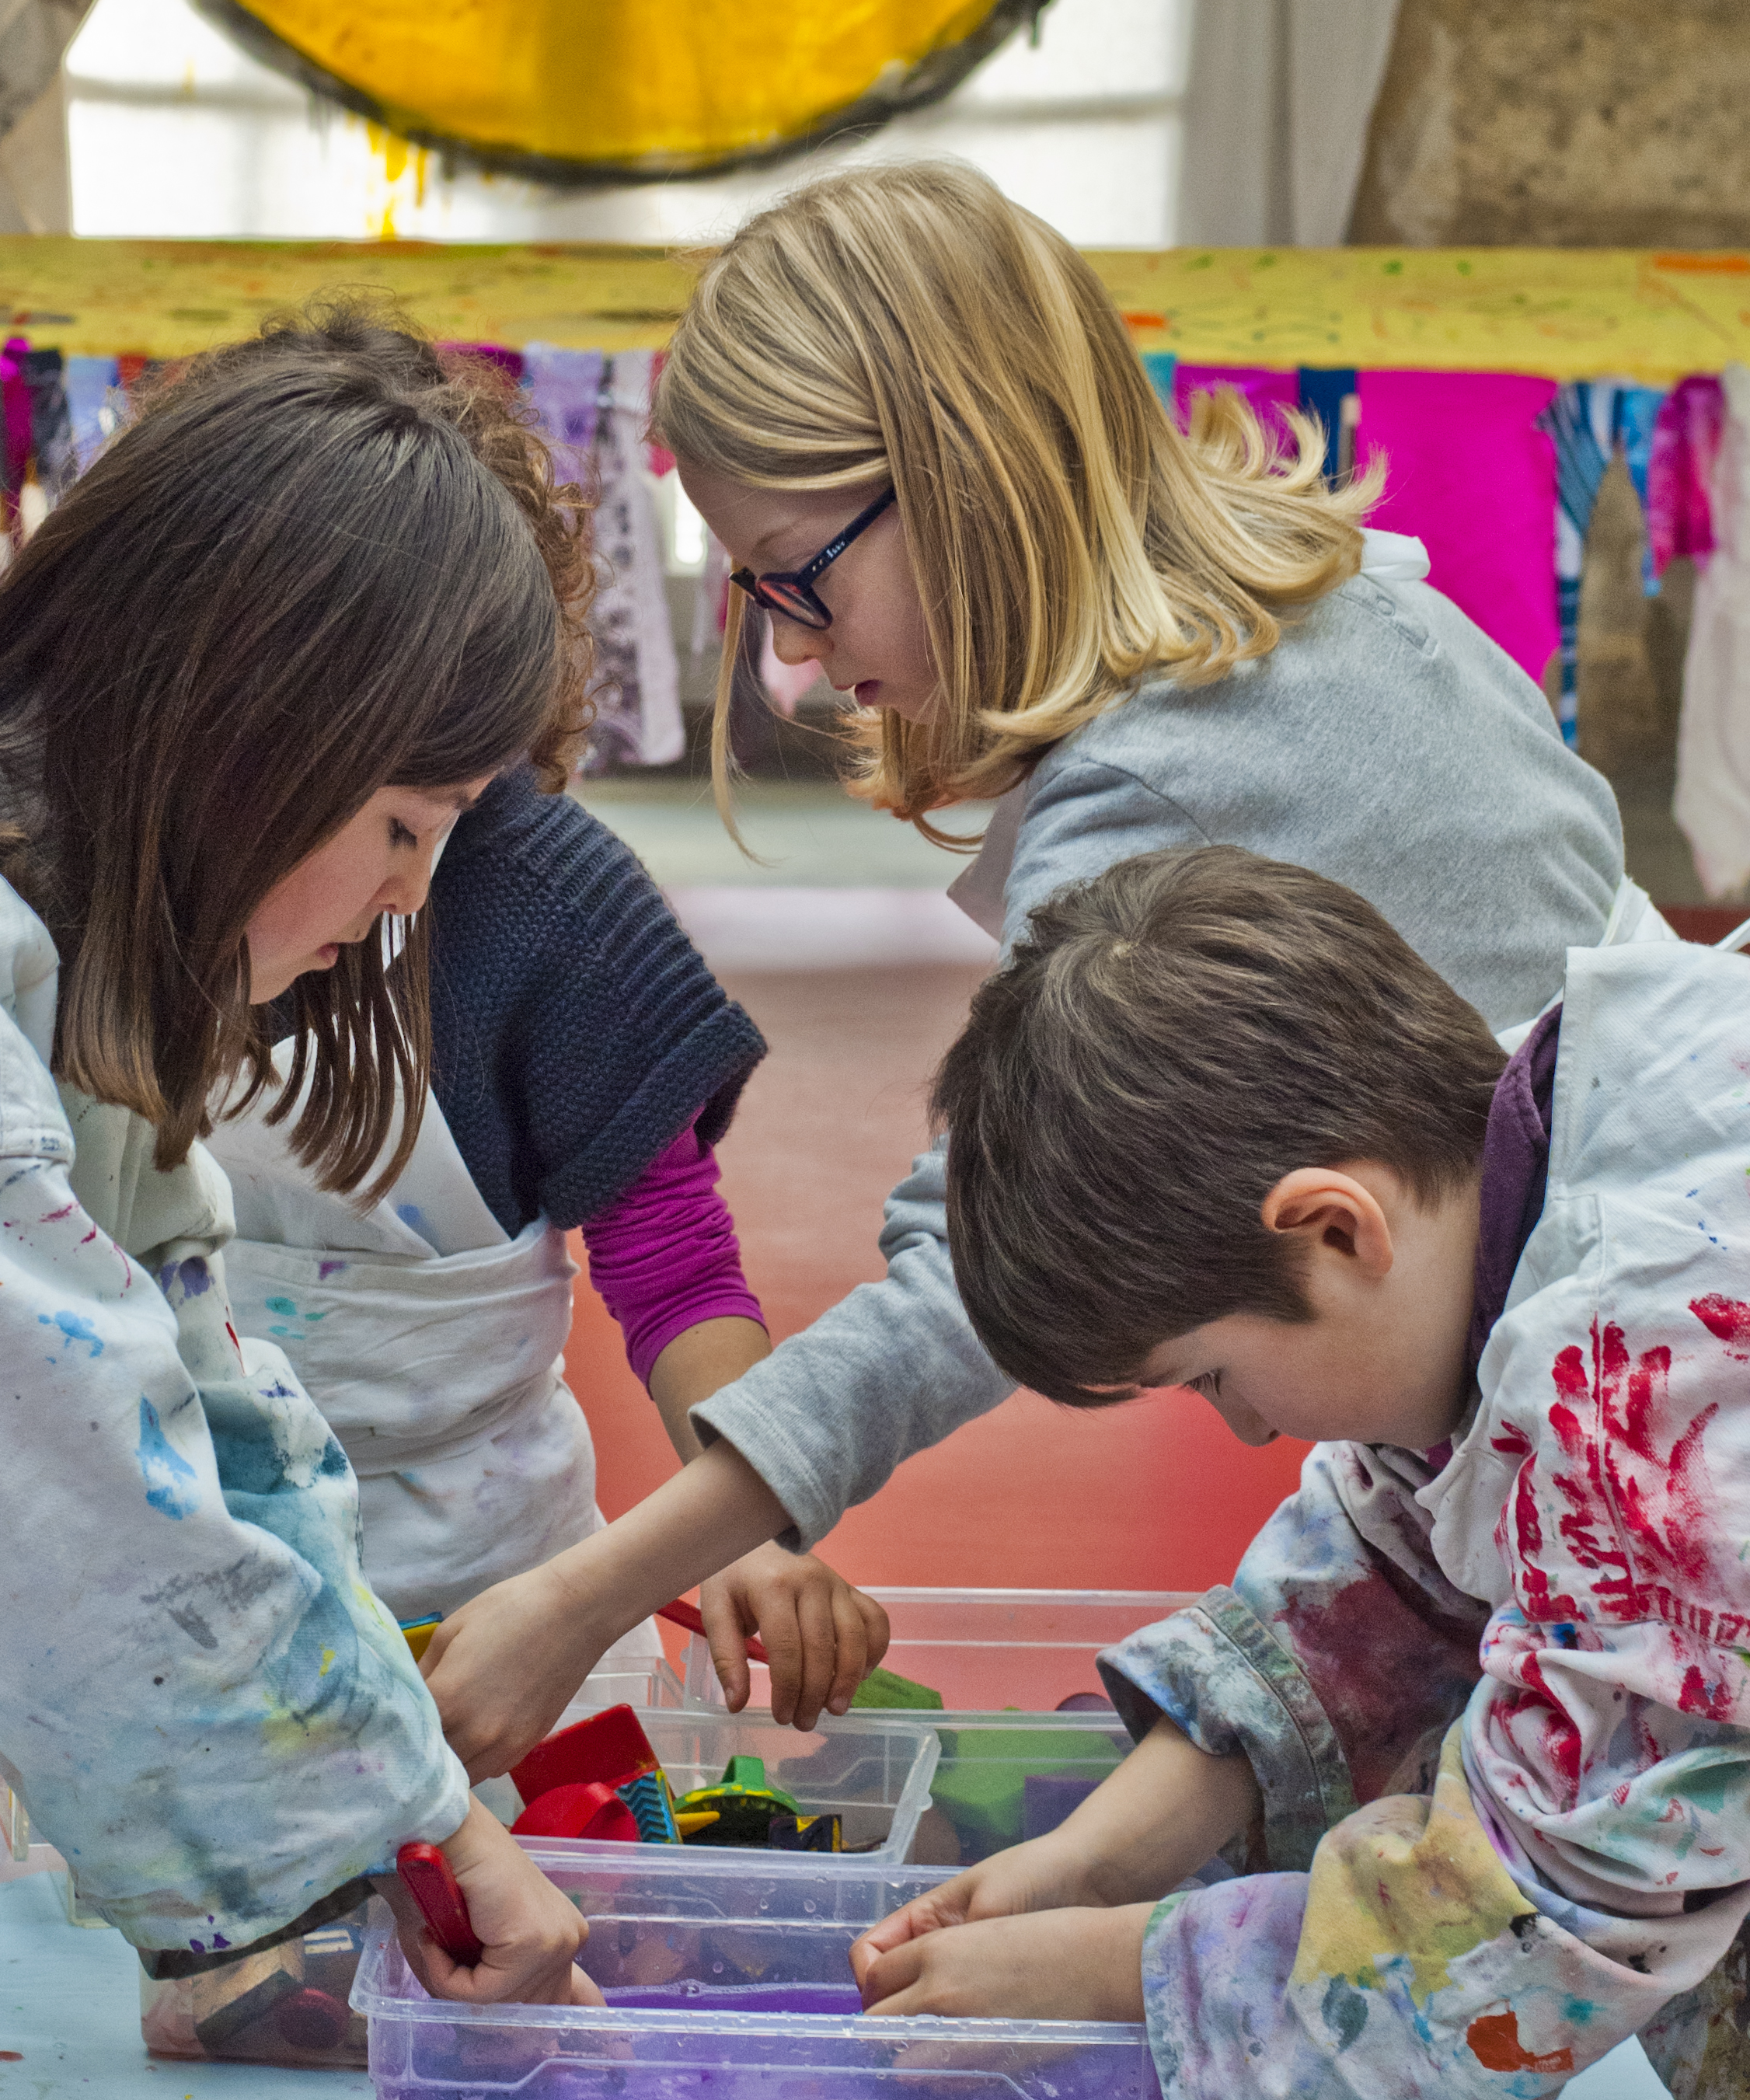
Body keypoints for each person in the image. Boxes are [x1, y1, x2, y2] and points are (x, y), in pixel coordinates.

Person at [420, 161, 1641, 1768]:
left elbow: (985, 1268)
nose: (788, 655)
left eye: (801, 580)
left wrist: (592, 1590)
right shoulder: (1350, 609)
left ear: (966, 477)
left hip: (1628, 1449)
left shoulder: (1153, 788)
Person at [0, 310, 593, 2009]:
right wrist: (410, 1846)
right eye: (403, 828)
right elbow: (76, 1531)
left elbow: (197, 1394)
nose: (406, 903)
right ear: (262, 729)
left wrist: (433, 1832)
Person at [851, 846, 1750, 2100]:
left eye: (1211, 1373)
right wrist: (1094, 1860)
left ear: (1333, 1229)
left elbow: (1569, 1882)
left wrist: (1127, 1971)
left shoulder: (1654, 1374)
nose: (1252, 1427)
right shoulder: (1512, 1148)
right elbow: (1395, 1562)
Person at [213, 756, 888, 1721]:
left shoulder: (548, 897)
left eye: (424, 828)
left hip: (491, 1591)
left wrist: (740, 1523)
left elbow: (677, 1266)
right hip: (178, 1575)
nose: (397, 887)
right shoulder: (100, 883)